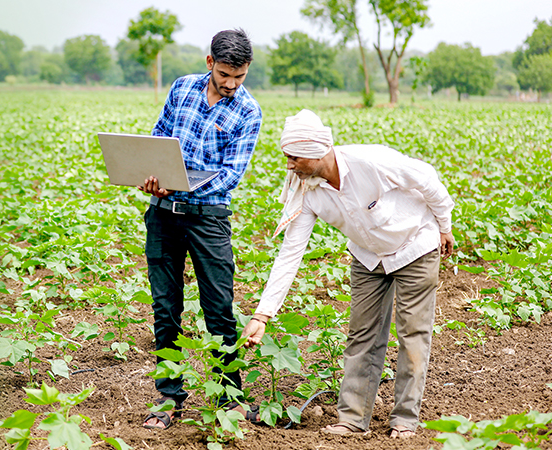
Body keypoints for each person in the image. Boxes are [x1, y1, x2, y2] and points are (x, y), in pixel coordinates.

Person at [241, 109, 455, 438]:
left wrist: (444, 227)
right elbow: (290, 254)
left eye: (293, 157)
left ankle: (405, 420)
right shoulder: (307, 191)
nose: (289, 165)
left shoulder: (370, 161)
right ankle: (352, 418)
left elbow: (427, 180)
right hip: (368, 257)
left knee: (413, 334)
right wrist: (262, 314)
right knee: (362, 336)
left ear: (315, 152)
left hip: (415, 246)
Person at [139, 29, 262, 430]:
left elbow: (231, 175)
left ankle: (231, 396)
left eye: (239, 76)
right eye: (225, 74)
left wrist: (184, 184)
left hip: (208, 219)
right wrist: (152, 176)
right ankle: (168, 397)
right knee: (165, 309)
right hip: (162, 213)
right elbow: (159, 137)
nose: (231, 84)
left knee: (218, 309)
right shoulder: (182, 88)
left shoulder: (248, 111)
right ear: (210, 63)